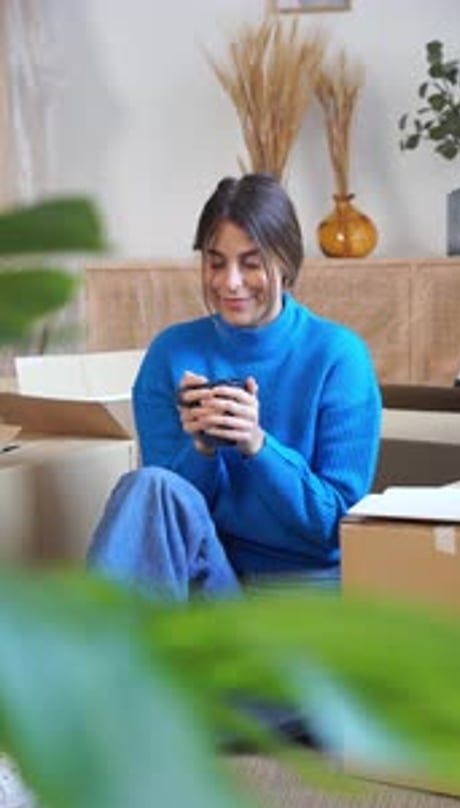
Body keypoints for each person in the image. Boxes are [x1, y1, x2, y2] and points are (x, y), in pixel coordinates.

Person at [87, 173, 382, 600]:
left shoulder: (338, 357)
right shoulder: (171, 354)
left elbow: (331, 528)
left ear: (286, 261)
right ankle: (88, 656)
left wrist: (257, 445)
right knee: (149, 485)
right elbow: (162, 525)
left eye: (251, 262)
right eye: (216, 261)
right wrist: (201, 450)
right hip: (206, 584)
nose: (230, 282)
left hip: (300, 594)